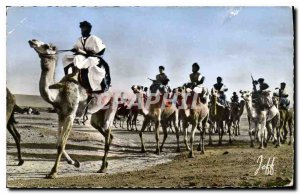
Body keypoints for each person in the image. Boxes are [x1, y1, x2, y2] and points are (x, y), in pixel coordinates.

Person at [62, 21, 111, 94]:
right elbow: (76, 48)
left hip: (94, 58)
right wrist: (75, 50)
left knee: (89, 60)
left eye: (84, 29)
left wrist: (92, 53)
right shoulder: (79, 39)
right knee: (67, 57)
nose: (82, 30)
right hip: (82, 57)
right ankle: (68, 76)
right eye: (82, 29)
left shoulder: (94, 38)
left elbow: (102, 49)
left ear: (88, 29)